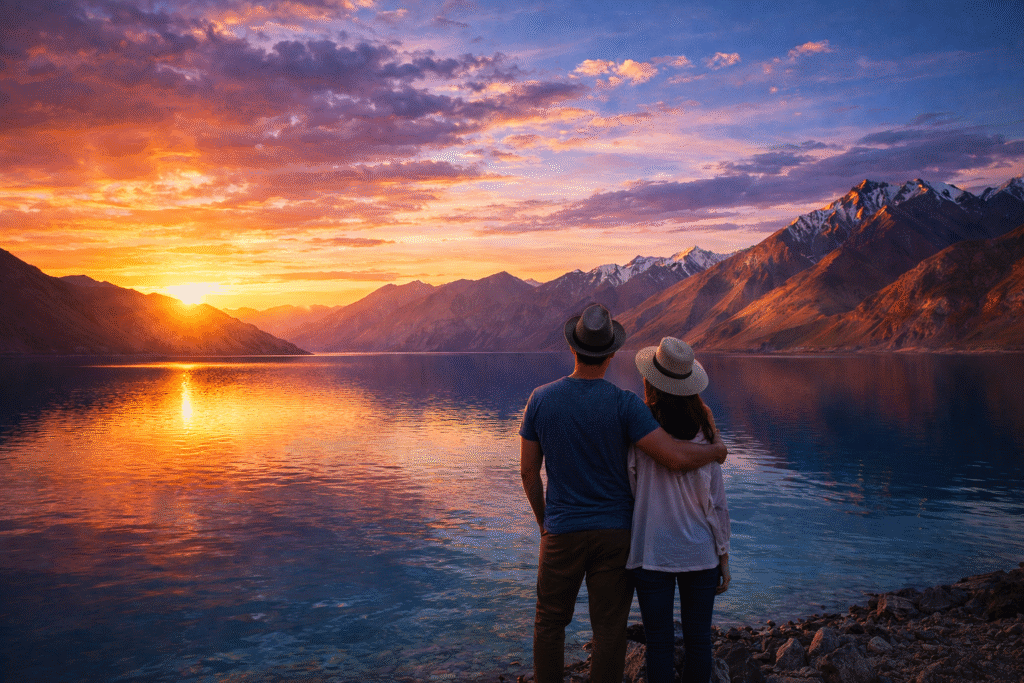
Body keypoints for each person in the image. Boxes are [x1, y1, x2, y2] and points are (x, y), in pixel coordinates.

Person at [519, 305, 727, 683]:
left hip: (562, 530)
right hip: (615, 535)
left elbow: (528, 472)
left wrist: (544, 523)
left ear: (573, 349)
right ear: (612, 354)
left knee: (549, 623)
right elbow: (675, 456)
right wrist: (715, 450)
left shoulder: (540, 399)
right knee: (609, 630)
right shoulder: (626, 404)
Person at [627, 337, 731, 683]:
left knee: (659, 644)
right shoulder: (707, 433)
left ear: (650, 380)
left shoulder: (639, 431)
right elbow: (716, 500)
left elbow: (629, 485)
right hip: (700, 552)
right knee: (699, 642)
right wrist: (724, 555)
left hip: (652, 550)